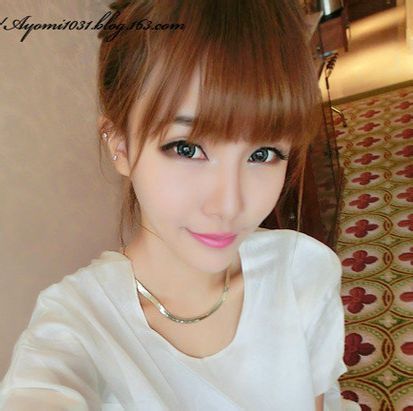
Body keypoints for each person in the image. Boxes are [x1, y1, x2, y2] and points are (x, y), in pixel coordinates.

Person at [0, 0, 360, 410]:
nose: (229, 205)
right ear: (120, 146)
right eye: (187, 148)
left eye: (263, 154)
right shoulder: (77, 327)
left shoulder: (301, 271)